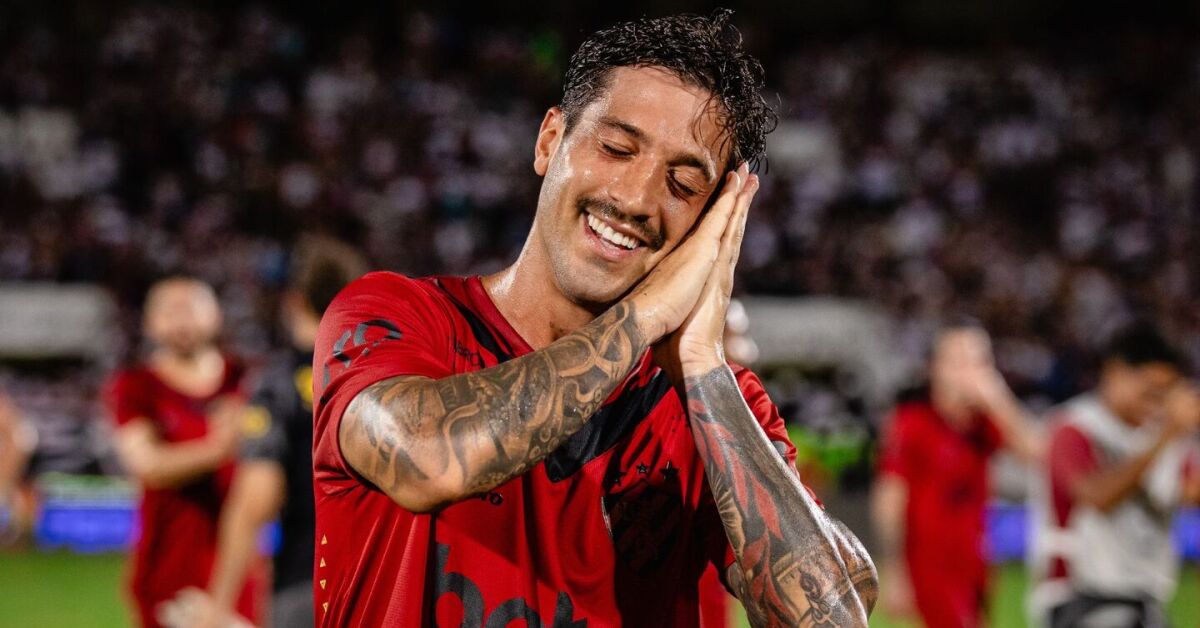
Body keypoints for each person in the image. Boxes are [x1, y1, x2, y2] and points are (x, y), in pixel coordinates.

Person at [312, 10, 877, 628]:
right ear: (549, 140)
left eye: (683, 184)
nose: (635, 198)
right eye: (616, 149)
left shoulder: (709, 401)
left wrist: (700, 364)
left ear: (712, 222)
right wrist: (645, 315)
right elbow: (428, 459)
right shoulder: (395, 315)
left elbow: (833, 620)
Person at [183, 237, 367, 628]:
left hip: (310, 584)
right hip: (392, 585)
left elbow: (256, 497)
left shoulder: (278, 384)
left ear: (294, 301)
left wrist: (218, 607)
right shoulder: (388, 375)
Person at [106, 277, 260, 628]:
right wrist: (218, 449)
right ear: (149, 323)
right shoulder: (136, 386)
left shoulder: (246, 380)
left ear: (216, 315)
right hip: (169, 567)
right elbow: (147, 464)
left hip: (239, 565)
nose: (181, 321)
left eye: (191, 308)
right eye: (170, 311)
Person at [872, 322, 1043, 628]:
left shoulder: (984, 422)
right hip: (931, 562)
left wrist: (998, 400)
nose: (971, 373)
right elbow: (890, 497)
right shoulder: (912, 422)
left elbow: (1037, 453)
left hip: (977, 557)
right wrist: (895, 568)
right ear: (935, 368)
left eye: (980, 361)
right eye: (959, 361)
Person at [1028, 323, 1200, 627]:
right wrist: (1165, 435)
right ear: (1116, 373)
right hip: (1079, 597)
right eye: (1150, 391)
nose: (1156, 403)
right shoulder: (1074, 428)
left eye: (1164, 394)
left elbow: (1191, 492)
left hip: (1145, 597)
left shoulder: (1163, 435)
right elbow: (1096, 496)